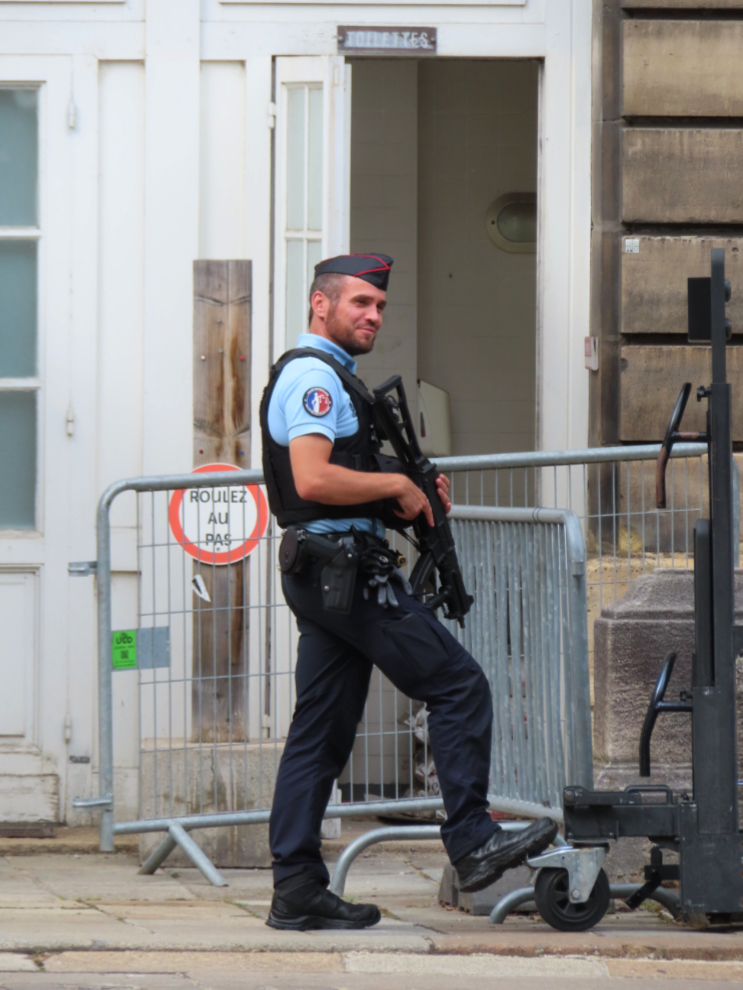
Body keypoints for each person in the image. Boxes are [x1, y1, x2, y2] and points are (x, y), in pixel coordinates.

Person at [260, 253, 557, 931]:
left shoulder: (331, 377)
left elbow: (338, 476)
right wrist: (396, 487)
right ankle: (472, 839)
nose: (371, 315)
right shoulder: (314, 378)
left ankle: (296, 888)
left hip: (327, 573)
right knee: (457, 685)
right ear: (320, 304)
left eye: (378, 307)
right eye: (359, 302)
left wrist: (403, 492)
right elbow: (310, 480)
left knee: (319, 733)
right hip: (344, 573)